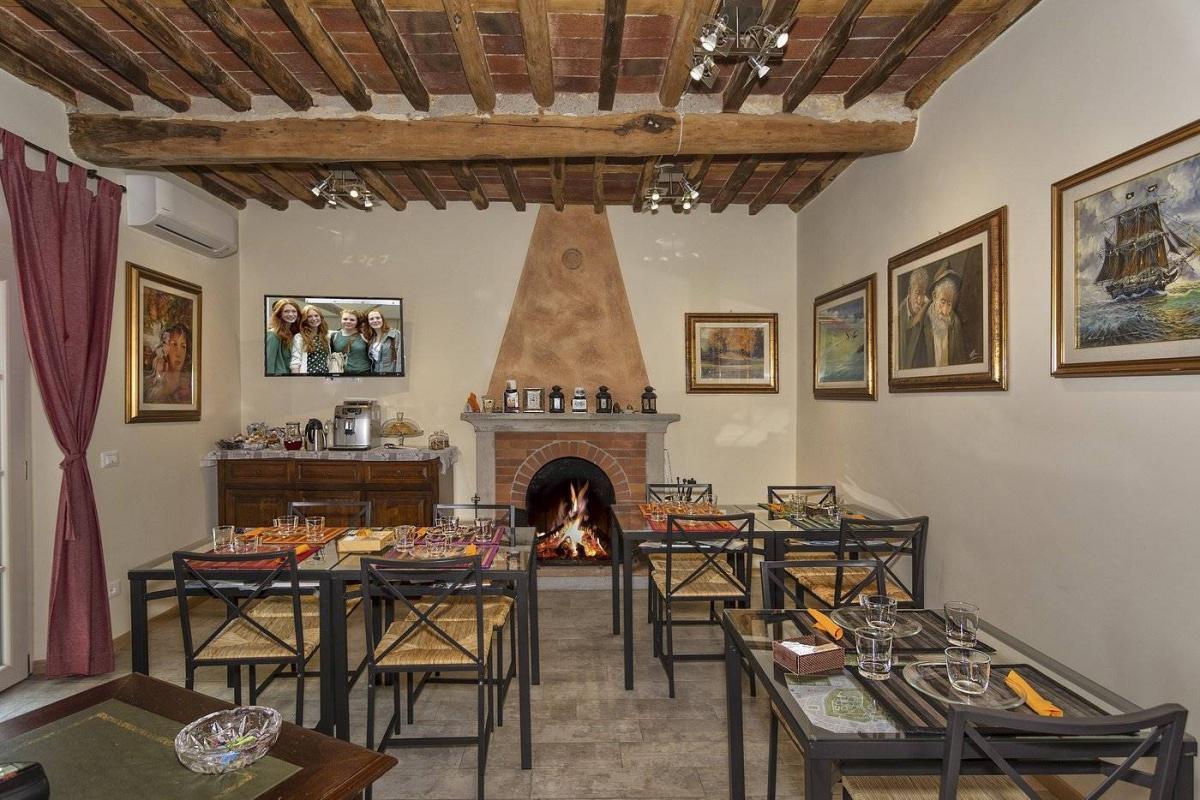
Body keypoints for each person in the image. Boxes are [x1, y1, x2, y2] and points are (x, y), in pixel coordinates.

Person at [912, 266, 967, 368]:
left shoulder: (955, 322)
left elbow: (961, 360)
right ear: (934, 296)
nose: (945, 311)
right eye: (942, 302)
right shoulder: (922, 322)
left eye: (949, 304)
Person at [144, 323, 191, 403]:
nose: (179, 353)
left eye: (183, 346)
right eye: (174, 344)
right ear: (165, 348)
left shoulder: (189, 384)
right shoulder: (153, 383)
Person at [898, 266, 929, 370]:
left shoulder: (929, 312)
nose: (920, 300)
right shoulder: (899, 315)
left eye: (923, 294)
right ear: (909, 291)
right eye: (917, 293)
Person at [291, 305, 330, 375]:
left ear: (320, 317)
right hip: (308, 377)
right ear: (305, 320)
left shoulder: (325, 336)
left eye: (316, 315)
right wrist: (296, 379)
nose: (314, 319)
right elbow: (295, 362)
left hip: (325, 376)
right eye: (309, 316)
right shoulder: (299, 337)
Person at [330, 309, 371, 375]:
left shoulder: (364, 335)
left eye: (352, 320)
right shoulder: (334, 336)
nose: (348, 321)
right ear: (341, 320)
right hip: (342, 373)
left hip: (363, 373)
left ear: (357, 322)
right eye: (345, 319)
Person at [266, 298, 300, 375]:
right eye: (286, 311)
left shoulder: (294, 334)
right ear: (279, 314)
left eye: (294, 311)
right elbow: (269, 364)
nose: (291, 314)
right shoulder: (273, 334)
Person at [364, 309, 402, 374]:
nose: (375, 320)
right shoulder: (372, 338)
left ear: (382, 319)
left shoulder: (395, 334)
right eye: (371, 319)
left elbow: (400, 359)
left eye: (378, 318)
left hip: (390, 373)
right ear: (368, 322)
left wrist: (398, 375)